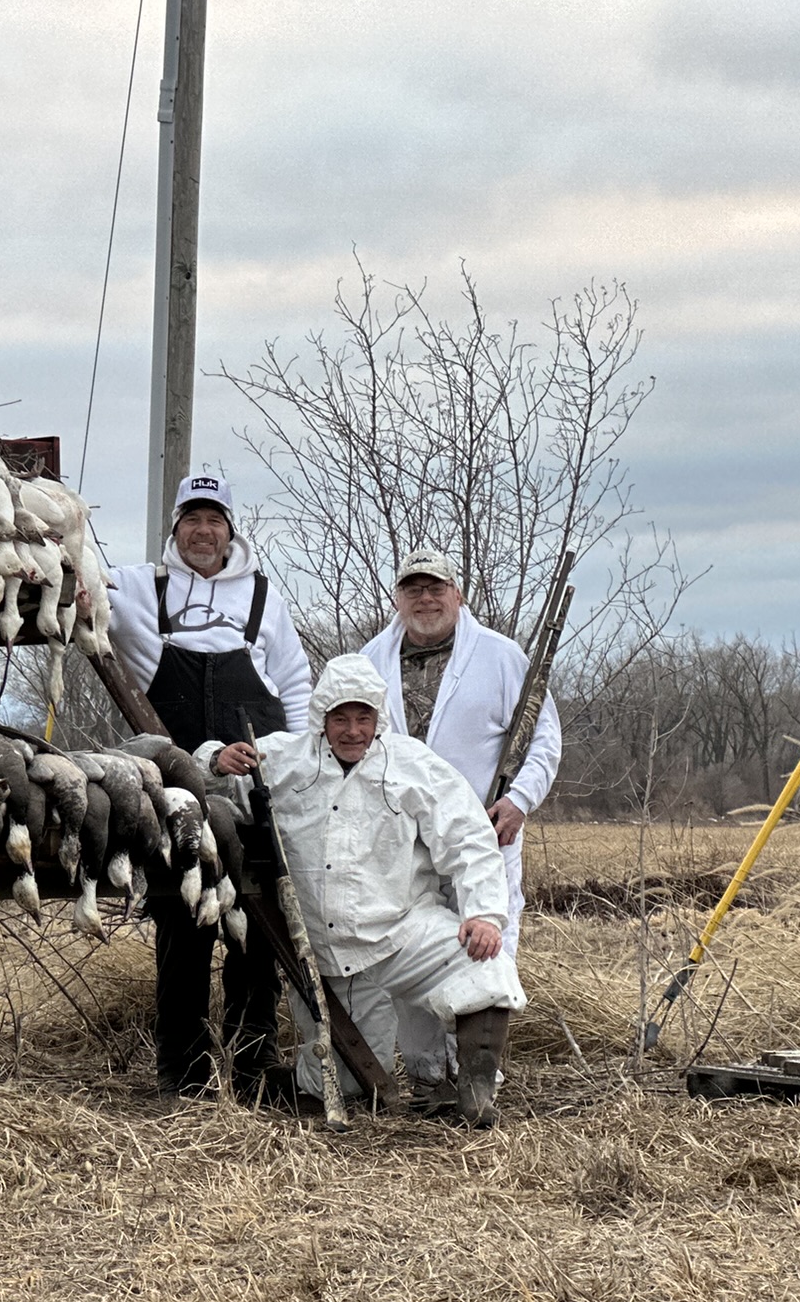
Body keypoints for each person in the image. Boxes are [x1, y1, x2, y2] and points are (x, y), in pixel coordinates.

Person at [205, 654, 526, 1127]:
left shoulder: (414, 765)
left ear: (379, 718)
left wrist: (483, 914)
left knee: (486, 962)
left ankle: (475, 1095)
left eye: (363, 717)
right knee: (351, 1089)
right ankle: (295, 1079)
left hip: (402, 934)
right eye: (341, 718)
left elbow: (469, 837)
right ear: (322, 719)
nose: (353, 730)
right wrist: (216, 759)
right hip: (322, 957)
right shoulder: (281, 759)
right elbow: (210, 773)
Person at [110, 472, 314, 1102]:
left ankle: (253, 1069)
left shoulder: (262, 598)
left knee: (258, 928)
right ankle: (184, 1074)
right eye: (192, 519)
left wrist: (293, 768)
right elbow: (78, 585)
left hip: (256, 794)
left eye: (215, 520)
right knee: (183, 923)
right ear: (174, 527)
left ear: (231, 530)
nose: (204, 531)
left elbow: (298, 690)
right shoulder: (142, 588)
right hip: (177, 793)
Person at [358, 549, 560, 1095]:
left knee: (488, 949)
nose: (425, 599)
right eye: (413, 589)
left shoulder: (501, 657)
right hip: (401, 841)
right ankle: (428, 1078)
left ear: (458, 594)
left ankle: (478, 1078)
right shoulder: (370, 661)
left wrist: (519, 800)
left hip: (486, 833)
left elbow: (544, 739)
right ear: (397, 598)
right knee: (406, 951)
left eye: (436, 588)